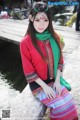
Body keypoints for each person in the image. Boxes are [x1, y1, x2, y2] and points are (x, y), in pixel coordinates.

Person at [20, 2, 78, 120]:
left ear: (49, 20)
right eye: (37, 20)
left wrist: (57, 81)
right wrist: (45, 87)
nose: (42, 25)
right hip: (38, 84)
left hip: (54, 80)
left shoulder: (55, 37)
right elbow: (29, 72)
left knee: (70, 105)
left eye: (45, 20)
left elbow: (61, 62)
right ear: (31, 19)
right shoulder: (25, 43)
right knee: (60, 107)